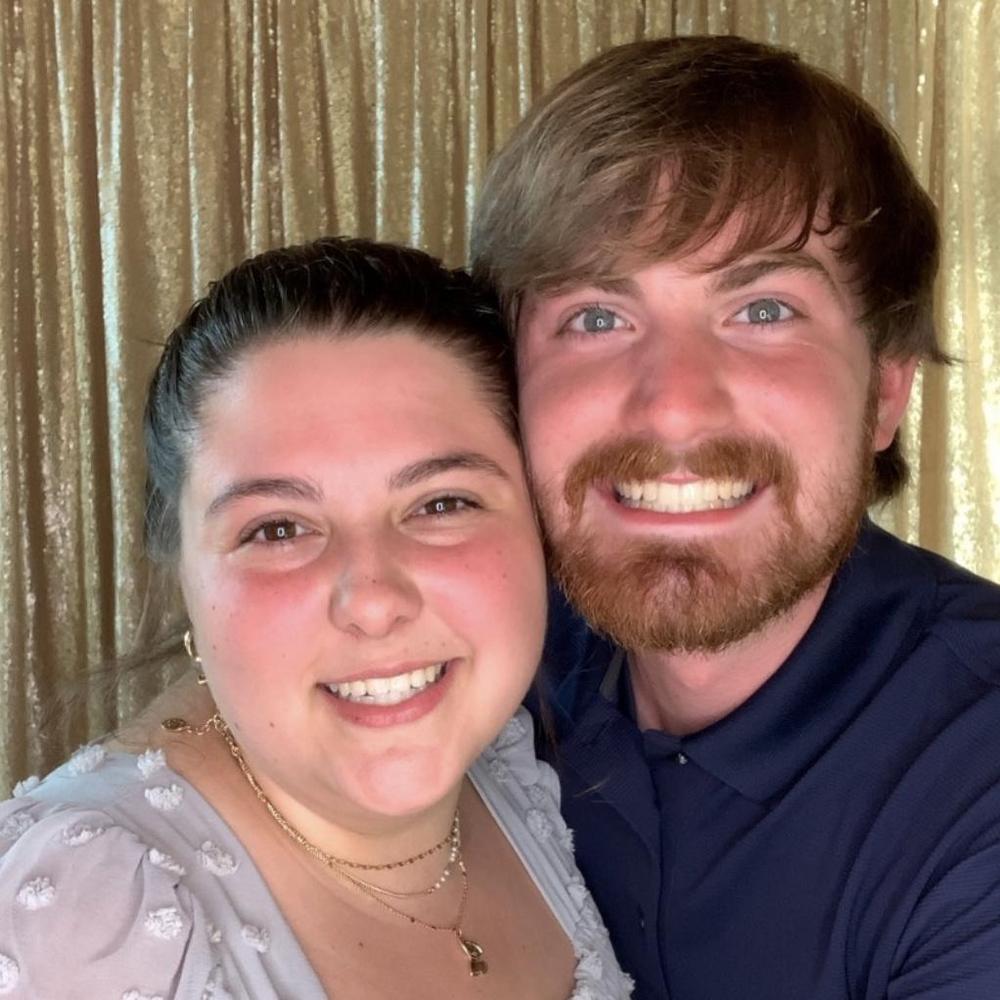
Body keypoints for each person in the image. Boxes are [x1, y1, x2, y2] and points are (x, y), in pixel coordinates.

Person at [471, 34, 1000, 1000]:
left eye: (762, 310)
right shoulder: (491, 653)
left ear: (885, 390)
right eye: (596, 317)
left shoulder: (977, 772)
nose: (674, 409)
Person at [0, 238, 632, 999]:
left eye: (441, 504)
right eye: (277, 529)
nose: (373, 599)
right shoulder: (80, 918)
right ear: (181, 573)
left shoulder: (507, 762)